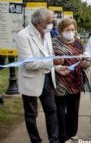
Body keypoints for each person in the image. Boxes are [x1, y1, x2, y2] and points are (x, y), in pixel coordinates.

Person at [15, 7, 69, 143]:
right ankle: (35, 140)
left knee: (52, 110)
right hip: (31, 80)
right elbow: (29, 64)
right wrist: (52, 62)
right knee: (31, 114)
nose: (52, 25)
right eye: (50, 22)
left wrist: (57, 67)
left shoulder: (47, 34)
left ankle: (54, 140)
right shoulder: (23, 36)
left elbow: (48, 57)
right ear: (39, 23)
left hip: (47, 79)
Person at [52, 18, 90, 143]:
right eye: (67, 30)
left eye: (73, 29)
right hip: (60, 81)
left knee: (73, 109)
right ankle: (63, 136)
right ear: (61, 30)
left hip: (76, 80)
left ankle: (72, 132)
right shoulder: (54, 43)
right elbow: (49, 61)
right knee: (60, 111)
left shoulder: (78, 42)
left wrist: (85, 63)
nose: (71, 32)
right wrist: (57, 66)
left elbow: (85, 60)